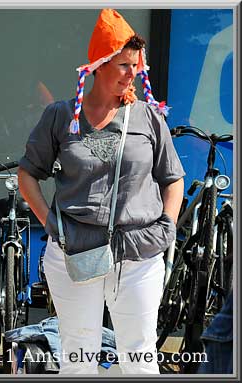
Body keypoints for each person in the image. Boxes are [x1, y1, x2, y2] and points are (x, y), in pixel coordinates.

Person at [18, 9, 185, 374]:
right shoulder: (61, 116)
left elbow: (173, 179)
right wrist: (51, 224)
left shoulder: (149, 118)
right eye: (125, 65)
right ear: (99, 65)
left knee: (140, 356)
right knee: (78, 356)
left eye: (137, 66)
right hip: (74, 251)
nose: (134, 73)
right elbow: (27, 175)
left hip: (139, 252)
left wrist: (167, 228)